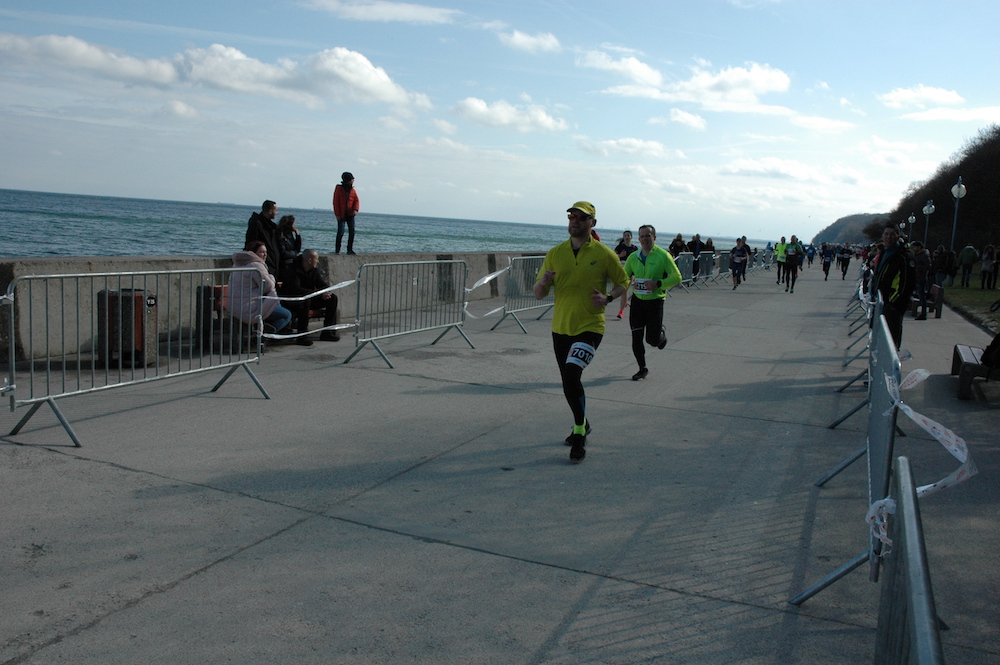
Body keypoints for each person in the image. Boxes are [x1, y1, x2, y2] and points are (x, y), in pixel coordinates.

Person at [534, 201, 628, 463]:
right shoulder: (556, 253)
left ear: (592, 223)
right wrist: (543, 282)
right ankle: (583, 423)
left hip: (590, 326)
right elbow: (538, 293)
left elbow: (623, 282)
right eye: (571, 216)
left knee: (572, 373)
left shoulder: (604, 254)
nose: (574, 221)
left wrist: (608, 298)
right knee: (568, 382)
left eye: (581, 217)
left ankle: (578, 433)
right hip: (561, 328)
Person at [624, 225, 680, 381]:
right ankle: (642, 368)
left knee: (652, 340)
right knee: (636, 337)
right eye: (642, 236)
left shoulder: (663, 256)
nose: (644, 239)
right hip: (637, 302)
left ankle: (660, 336)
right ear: (638, 239)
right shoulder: (633, 257)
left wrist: (658, 284)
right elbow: (624, 276)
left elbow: (677, 277)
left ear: (654, 238)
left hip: (655, 302)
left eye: (647, 236)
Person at [229, 240, 292, 337]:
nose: (265, 254)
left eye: (266, 252)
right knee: (286, 315)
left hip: (234, 307)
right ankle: (263, 335)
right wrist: (271, 277)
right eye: (262, 252)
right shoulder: (256, 265)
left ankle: (264, 332)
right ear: (254, 253)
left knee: (276, 304)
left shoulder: (237, 264)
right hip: (249, 309)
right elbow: (269, 286)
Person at [279, 249, 341, 345]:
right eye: (316, 259)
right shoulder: (293, 270)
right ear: (309, 260)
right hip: (293, 300)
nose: (318, 261)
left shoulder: (313, 271)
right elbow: (296, 289)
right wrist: (318, 294)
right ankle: (302, 336)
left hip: (310, 297)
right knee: (305, 301)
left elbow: (321, 284)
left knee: (332, 298)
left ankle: (327, 332)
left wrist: (326, 292)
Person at [872, 225, 915, 349]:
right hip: (880, 301)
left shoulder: (904, 256)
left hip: (892, 305)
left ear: (898, 236)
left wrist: (894, 304)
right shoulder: (884, 252)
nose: (888, 237)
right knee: (879, 338)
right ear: (882, 236)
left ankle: (892, 358)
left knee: (891, 341)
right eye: (886, 234)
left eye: (892, 234)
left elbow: (907, 283)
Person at [244, 200, 280, 276]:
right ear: (270, 211)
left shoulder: (271, 227)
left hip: (271, 263)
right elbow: (251, 242)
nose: (276, 213)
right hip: (263, 262)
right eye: (276, 210)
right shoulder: (256, 223)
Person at [333, 172, 360, 255]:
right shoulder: (339, 189)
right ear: (348, 180)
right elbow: (336, 202)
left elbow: (356, 201)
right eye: (352, 179)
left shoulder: (353, 190)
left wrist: (355, 210)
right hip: (341, 214)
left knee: (352, 232)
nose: (353, 180)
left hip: (350, 214)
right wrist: (337, 214)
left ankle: (350, 249)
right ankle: (337, 250)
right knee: (340, 232)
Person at [614, 231, 639, 318]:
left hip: (631, 271)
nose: (627, 237)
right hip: (621, 270)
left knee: (625, 290)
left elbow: (638, 260)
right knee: (623, 290)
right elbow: (612, 257)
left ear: (631, 237)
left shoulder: (634, 248)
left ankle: (622, 307)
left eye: (628, 235)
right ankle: (622, 308)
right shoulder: (620, 247)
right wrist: (620, 255)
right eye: (625, 235)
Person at [276, 215, 302, 281]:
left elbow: (298, 248)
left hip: (291, 262)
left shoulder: (289, 234)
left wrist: (297, 235)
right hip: (284, 264)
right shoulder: (280, 235)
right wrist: (295, 253)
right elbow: (283, 253)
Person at [911, 240, 931, 320]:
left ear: (919, 247)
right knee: (918, 295)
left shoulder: (924, 255)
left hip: (921, 278)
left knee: (922, 297)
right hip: (916, 278)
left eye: (915, 247)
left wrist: (917, 268)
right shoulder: (917, 255)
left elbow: (928, 266)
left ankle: (923, 314)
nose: (913, 248)